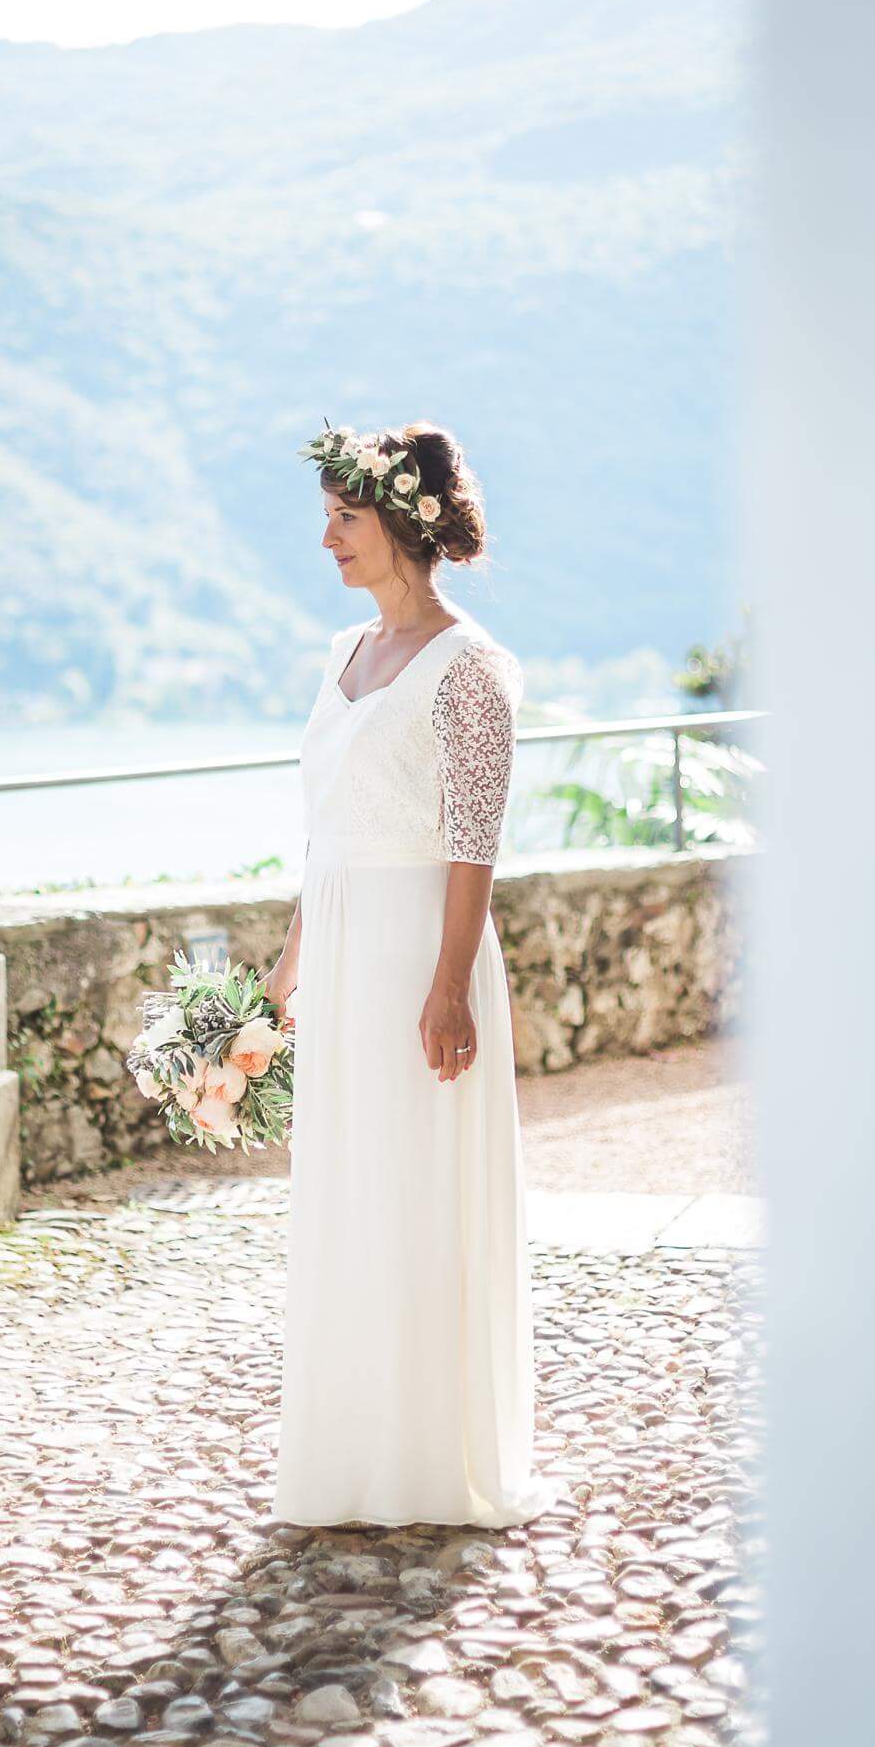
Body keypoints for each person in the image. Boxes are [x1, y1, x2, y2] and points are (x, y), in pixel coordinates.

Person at [262, 419, 561, 1529]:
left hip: (415, 955)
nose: (329, 540)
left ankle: (431, 1462)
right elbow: (325, 839)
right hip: (341, 952)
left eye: (346, 518)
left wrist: (447, 988)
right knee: (348, 1196)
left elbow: (473, 840)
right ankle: (348, 1457)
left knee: (415, 1194)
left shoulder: (471, 669)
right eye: (329, 519)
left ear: (403, 521)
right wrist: (282, 981)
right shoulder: (341, 654)